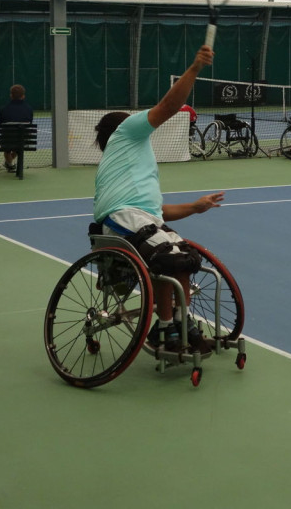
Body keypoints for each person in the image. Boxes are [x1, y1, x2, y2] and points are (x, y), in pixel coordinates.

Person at [93, 45, 224, 353]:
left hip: (136, 219)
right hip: (121, 219)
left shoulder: (127, 165)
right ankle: (166, 330)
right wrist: (193, 69)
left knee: (183, 257)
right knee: (170, 254)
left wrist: (194, 207)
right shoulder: (126, 132)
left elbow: (156, 213)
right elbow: (168, 106)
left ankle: (180, 324)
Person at [0, 84, 34, 173]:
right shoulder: (29, 109)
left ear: (11, 95)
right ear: (23, 96)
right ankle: (8, 163)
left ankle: (9, 163)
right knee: (19, 142)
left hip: (7, 140)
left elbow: (0, 123)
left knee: (7, 144)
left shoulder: (3, 109)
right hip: (23, 140)